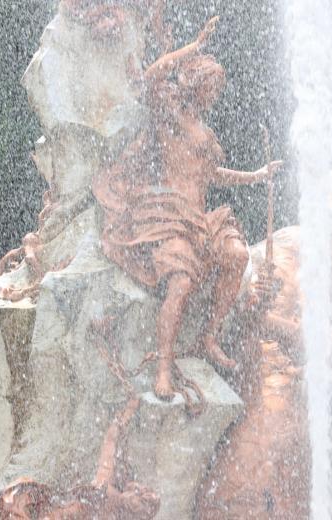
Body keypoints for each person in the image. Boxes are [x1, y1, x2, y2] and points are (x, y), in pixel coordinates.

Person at [91, 16, 280, 399]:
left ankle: (208, 336)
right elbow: (152, 75)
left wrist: (257, 175)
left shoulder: (206, 135)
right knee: (179, 283)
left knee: (236, 254)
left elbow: (213, 175)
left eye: (218, 86)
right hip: (168, 216)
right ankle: (163, 366)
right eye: (212, 84)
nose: (216, 92)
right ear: (195, 82)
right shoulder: (168, 115)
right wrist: (194, 45)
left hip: (200, 221)